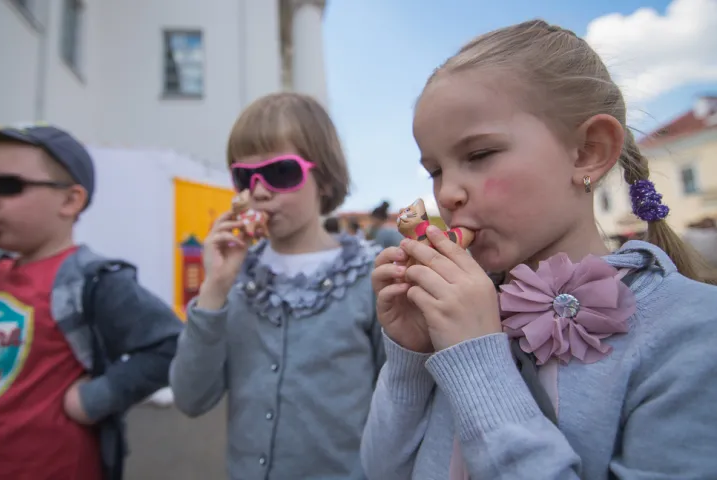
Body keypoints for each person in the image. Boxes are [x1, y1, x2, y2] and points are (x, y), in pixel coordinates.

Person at [361, 20, 717, 479]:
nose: (447, 194)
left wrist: (475, 359)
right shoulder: (460, 307)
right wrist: (410, 356)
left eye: (478, 155)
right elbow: (379, 470)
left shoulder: (692, 334)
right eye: (434, 170)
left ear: (588, 151)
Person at [0, 113, 184, 480]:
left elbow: (172, 345)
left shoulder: (93, 281)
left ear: (70, 201)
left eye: (7, 186)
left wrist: (96, 399)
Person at [170, 92, 384, 479]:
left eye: (280, 172)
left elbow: (397, 402)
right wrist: (214, 288)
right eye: (244, 177)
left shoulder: (369, 277)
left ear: (325, 178)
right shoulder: (236, 279)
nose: (260, 191)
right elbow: (191, 397)